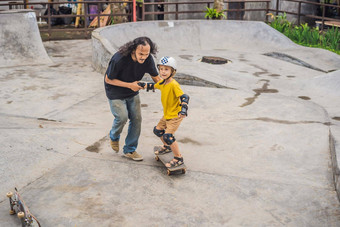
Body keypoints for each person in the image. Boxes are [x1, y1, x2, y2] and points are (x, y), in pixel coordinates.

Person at [104, 37, 160, 161]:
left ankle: (129, 150)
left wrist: (170, 89)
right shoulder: (119, 59)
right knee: (122, 117)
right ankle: (114, 136)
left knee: (137, 119)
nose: (143, 57)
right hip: (115, 91)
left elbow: (156, 78)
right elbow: (108, 79)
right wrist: (130, 85)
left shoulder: (148, 59)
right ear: (133, 50)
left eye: (146, 54)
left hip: (132, 91)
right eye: (141, 54)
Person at [141, 56, 190, 167]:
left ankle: (178, 158)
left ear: (172, 71)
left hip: (175, 116)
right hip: (167, 115)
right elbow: (153, 85)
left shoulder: (174, 84)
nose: (163, 72)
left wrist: (184, 109)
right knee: (158, 130)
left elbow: (184, 97)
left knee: (168, 136)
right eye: (161, 69)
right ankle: (167, 146)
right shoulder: (163, 83)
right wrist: (142, 85)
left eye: (166, 69)